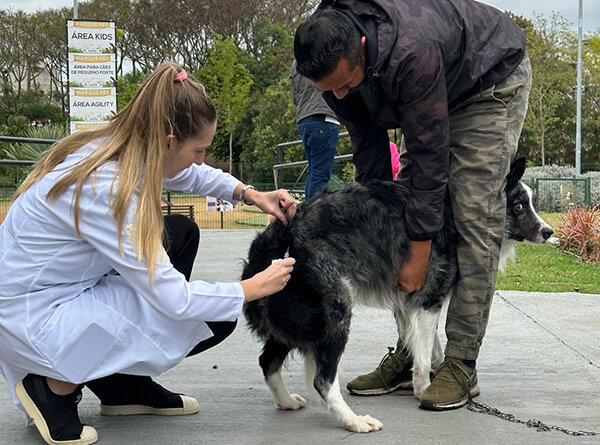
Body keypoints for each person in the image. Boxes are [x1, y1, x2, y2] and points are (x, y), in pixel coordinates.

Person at [0, 62, 297, 445]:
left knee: (181, 234)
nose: (202, 159)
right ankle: (51, 386)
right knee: (212, 317)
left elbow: (190, 174)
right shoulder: (107, 189)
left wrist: (249, 193)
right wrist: (250, 288)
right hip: (33, 317)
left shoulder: (119, 148)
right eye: (199, 149)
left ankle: (120, 385)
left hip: (55, 289)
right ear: (169, 140)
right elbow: (174, 299)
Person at [294, 0, 531, 411]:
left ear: (361, 49)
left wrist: (419, 251)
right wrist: (382, 228)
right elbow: (368, 147)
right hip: (428, 85)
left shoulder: (410, 53)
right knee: (399, 213)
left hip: (487, 79)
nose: (338, 96)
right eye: (328, 90)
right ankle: (412, 355)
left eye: (344, 85)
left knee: (476, 215)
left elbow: (431, 159)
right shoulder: (333, 61)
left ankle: (458, 362)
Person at [290, 60, 340, 199]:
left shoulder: (296, 63)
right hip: (323, 116)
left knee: (314, 172)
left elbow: (295, 98)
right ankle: (314, 216)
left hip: (304, 119)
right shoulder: (321, 51)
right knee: (320, 174)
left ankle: (308, 212)